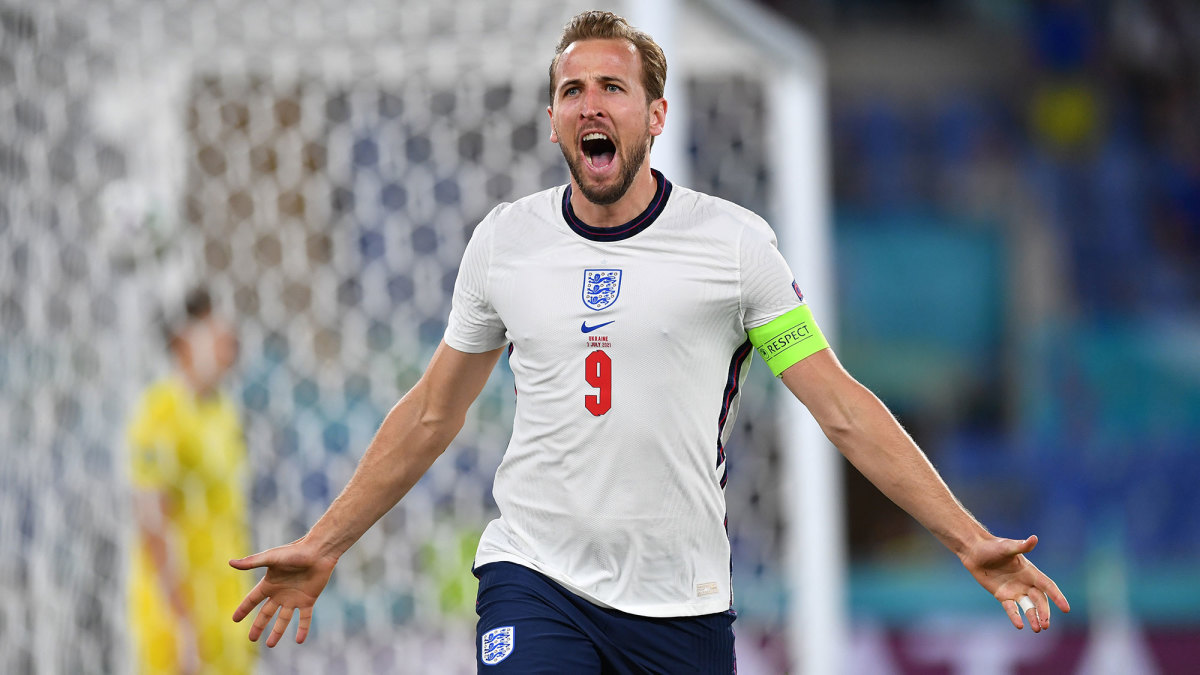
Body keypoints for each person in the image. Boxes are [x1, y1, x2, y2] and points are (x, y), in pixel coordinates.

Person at [230, 10, 1070, 672]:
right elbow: (430, 414)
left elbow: (842, 407)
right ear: (554, 119)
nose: (591, 104)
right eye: (572, 91)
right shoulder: (503, 241)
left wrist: (968, 540)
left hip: (681, 601)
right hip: (536, 575)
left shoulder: (735, 246)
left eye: (613, 87)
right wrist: (325, 541)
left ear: (657, 113)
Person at [128, 287, 256, 674]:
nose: (225, 334)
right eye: (210, 326)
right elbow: (151, 519)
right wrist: (181, 620)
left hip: (229, 604)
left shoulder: (225, 410)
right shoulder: (159, 412)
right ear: (181, 340)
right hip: (181, 613)